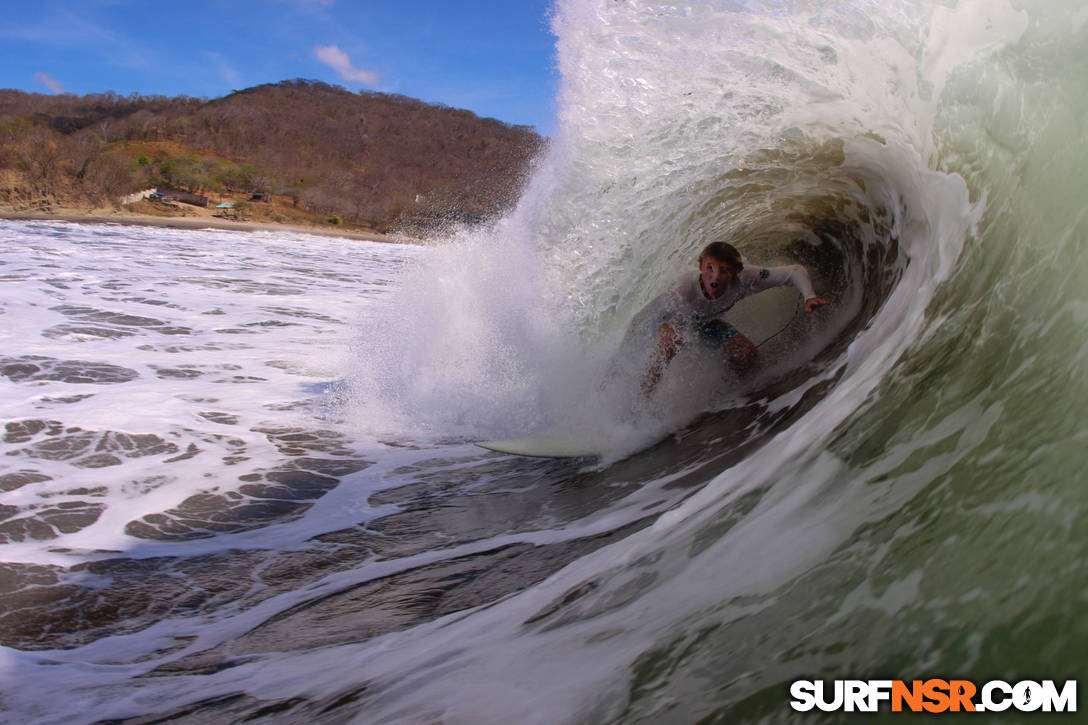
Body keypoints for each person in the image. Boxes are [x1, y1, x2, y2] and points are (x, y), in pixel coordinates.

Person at [633, 241, 829, 393]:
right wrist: (622, 356)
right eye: (710, 268)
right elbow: (641, 319)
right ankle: (638, 405)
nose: (716, 277)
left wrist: (809, 296)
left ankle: (719, 398)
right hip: (667, 323)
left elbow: (794, 271)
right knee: (673, 337)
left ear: (736, 272)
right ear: (701, 266)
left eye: (724, 271)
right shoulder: (683, 290)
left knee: (747, 355)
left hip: (703, 323)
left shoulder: (746, 279)